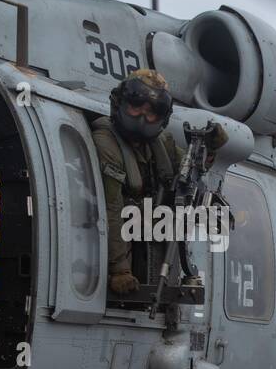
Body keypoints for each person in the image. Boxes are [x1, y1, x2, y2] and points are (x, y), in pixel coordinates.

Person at [92, 69, 227, 295]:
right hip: (116, 242)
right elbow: (111, 208)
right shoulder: (106, 143)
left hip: (146, 239)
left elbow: (190, 169)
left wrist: (210, 149)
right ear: (121, 103)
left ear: (161, 117)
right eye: (136, 106)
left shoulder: (161, 144)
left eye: (151, 112)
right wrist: (119, 271)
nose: (142, 118)